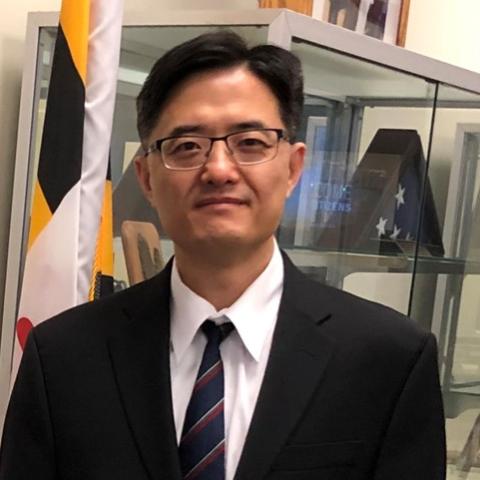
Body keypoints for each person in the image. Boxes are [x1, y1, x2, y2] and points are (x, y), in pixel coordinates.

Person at [0, 31, 446, 480]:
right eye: (186, 147)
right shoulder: (62, 356)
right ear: (147, 177)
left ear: (293, 167)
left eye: (250, 142)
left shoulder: (389, 359)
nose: (218, 169)